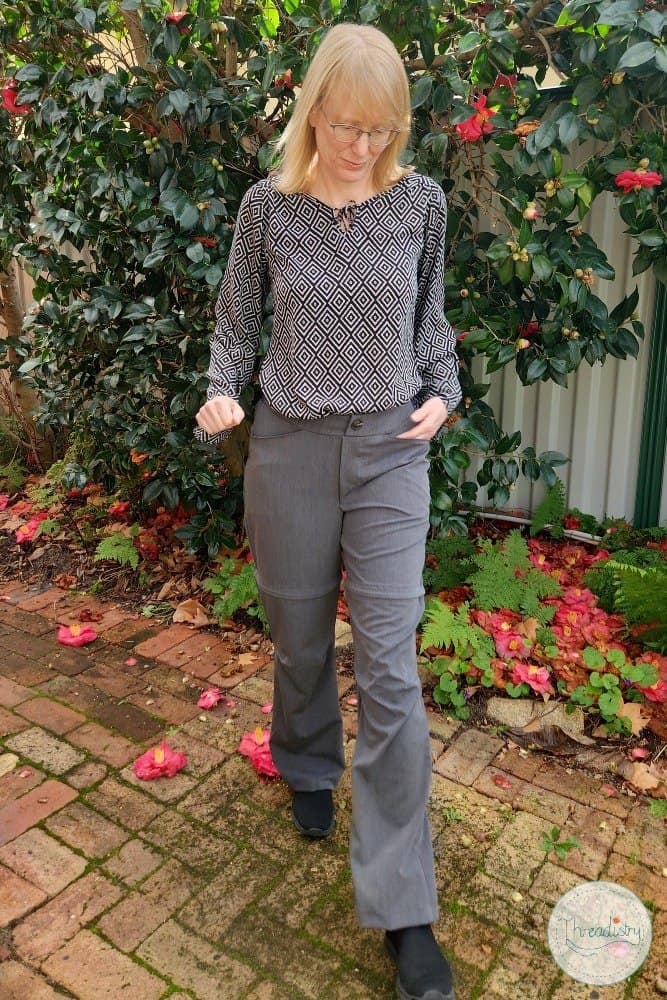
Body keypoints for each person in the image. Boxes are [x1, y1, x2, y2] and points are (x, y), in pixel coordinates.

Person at [195, 22, 462, 1000]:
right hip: (292, 450)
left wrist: (445, 390)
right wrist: (220, 394)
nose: (362, 147)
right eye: (347, 126)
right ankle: (308, 763)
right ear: (313, 112)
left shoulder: (421, 204)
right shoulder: (268, 209)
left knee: (389, 664)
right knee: (300, 639)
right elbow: (234, 329)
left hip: (392, 452)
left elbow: (431, 325)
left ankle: (404, 908)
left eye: (381, 129)